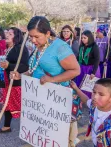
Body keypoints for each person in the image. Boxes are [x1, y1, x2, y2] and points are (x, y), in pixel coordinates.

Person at [11, 16, 80, 147]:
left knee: (59, 140)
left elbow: (75, 70)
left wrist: (52, 79)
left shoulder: (60, 48)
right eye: (30, 36)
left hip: (57, 103)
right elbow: (35, 69)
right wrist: (20, 75)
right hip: (41, 103)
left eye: (36, 36)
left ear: (48, 33)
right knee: (43, 138)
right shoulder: (40, 46)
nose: (32, 40)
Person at [70, 79, 111, 147]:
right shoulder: (95, 105)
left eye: (101, 94)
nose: (95, 97)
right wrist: (76, 88)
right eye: (94, 92)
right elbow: (86, 100)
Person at [0, 27, 29, 133]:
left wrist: (9, 65)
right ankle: (7, 126)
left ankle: (29, 130)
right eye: (7, 33)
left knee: (20, 107)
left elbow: (25, 66)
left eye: (10, 34)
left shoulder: (20, 48)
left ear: (17, 37)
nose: (7, 35)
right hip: (8, 81)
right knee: (7, 104)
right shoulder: (9, 48)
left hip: (16, 82)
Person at [76, 30, 100, 97]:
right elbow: (78, 57)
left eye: (85, 38)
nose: (83, 39)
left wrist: (93, 72)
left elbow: (97, 60)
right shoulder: (81, 46)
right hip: (82, 67)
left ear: (89, 38)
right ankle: (80, 97)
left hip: (91, 68)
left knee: (88, 86)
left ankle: (88, 99)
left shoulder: (94, 47)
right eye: (82, 38)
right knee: (81, 83)